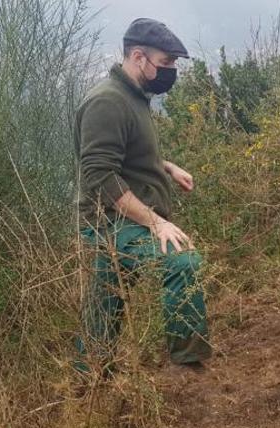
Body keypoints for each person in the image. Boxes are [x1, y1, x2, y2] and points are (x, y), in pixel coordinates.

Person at [74, 18, 210, 373]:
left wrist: (165, 166)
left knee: (106, 302)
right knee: (183, 261)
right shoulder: (107, 101)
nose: (171, 72)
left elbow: (126, 153)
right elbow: (100, 174)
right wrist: (156, 222)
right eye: (165, 63)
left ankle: (87, 376)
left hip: (120, 219)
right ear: (138, 56)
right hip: (110, 223)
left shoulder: (132, 96)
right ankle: (186, 366)